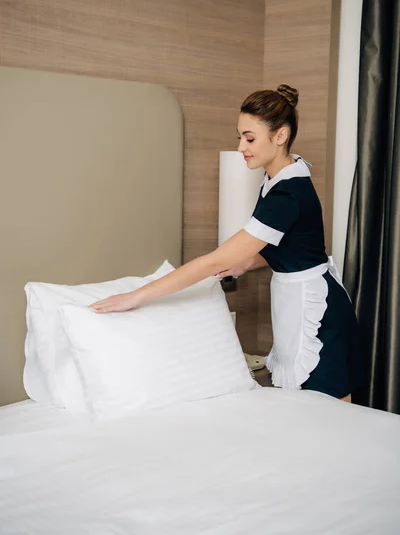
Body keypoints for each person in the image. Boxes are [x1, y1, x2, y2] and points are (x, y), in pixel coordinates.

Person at [90, 84, 364, 401]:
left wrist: (134, 298)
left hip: (317, 311)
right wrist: (251, 260)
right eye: (240, 137)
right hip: (302, 299)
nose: (240, 148)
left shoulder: (287, 193)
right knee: (313, 415)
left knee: (330, 417)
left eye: (249, 138)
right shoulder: (283, 173)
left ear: (280, 136)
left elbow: (215, 261)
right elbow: (297, 243)